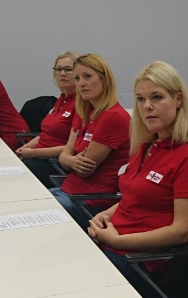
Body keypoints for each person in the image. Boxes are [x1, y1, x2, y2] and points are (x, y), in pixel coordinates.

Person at [87, 62, 188, 298]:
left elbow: (182, 232)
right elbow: (135, 197)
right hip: (115, 244)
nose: (146, 106)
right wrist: (106, 214)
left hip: (142, 262)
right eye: (140, 99)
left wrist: (117, 240)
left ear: (178, 100)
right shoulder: (147, 146)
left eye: (156, 97)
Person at [48, 54, 131, 226]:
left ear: (104, 79)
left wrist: (68, 159)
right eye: (78, 78)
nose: (81, 83)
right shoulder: (85, 113)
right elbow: (64, 156)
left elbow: (83, 170)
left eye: (87, 76)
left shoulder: (113, 116)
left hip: (90, 201)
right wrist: (70, 159)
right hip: (68, 191)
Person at [16, 51, 80, 188]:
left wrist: (32, 153)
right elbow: (45, 135)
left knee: (16, 179)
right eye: (58, 69)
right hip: (39, 157)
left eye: (68, 69)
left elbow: (73, 148)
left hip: (55, 163)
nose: (62, 73)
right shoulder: (61, 100)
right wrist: (24, 149)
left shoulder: (81, 105)